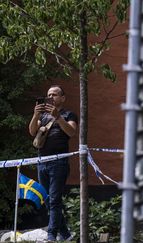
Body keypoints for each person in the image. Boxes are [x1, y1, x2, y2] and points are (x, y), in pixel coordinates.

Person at [29, 85, 78, 242]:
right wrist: (35, 115)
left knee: (55, 199)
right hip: (42, 162)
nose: (51, 97)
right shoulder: (42, 116)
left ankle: (51, 236)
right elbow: (32, 132)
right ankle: (66, 234)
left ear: (62, 98)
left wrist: (58, 117)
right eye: (49, 94)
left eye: (54, 94)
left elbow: (71, 132)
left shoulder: (69, 114)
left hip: (59, 162)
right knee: (48, 199)